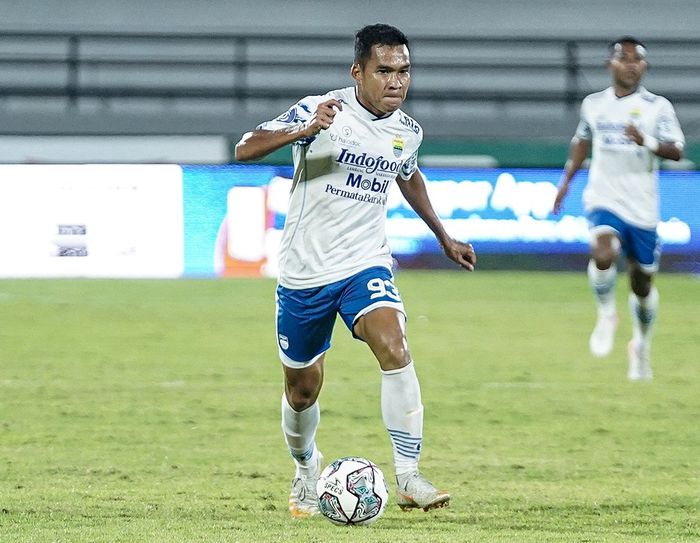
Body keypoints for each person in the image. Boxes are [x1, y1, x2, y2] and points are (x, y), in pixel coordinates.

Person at [234, 23, 476, 517]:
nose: (396, 81)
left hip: (365, 261)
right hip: (304, 271)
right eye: (385, 70)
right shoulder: (322, 108)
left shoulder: (407, 131)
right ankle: (305, 473)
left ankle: (408, 476)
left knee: (395, 345)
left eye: (404, 71)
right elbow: (245, 148)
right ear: (358, 72)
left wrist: (444, 236)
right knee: (302, 389)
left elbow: (408, 176)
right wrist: (304, 130)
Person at [553, 36, 685, 381]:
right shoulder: (594, 104)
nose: (629, 64)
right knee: (603, 251)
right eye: (623, 58)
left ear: (644, 67)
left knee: (642, 285)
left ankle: (640, 345)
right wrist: (566, 183)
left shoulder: (659, 107)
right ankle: (607, 313)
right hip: (603, 197)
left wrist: (647, 141)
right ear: (610, 64)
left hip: (642, 206)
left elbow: (677, 150)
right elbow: (582, 140)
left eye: (636, 60)